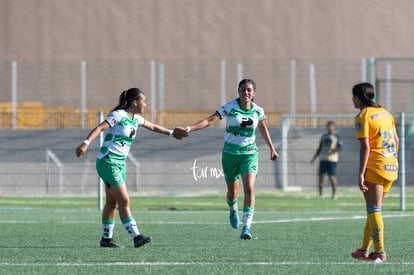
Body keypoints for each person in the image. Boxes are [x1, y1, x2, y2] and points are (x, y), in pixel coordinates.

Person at [76, 87, 186, 248]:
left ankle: (106, 239)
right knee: (124, 201)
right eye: (144, 101)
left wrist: (171, 133)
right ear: (135, 102)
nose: (145, 104)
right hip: (108, 161)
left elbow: (153, 127)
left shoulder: (136, 118)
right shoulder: (119, 115)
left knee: (112, 203)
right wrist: (85, 143)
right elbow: (100, 128)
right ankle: (136, 236)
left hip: (119, 164)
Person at [175, 79, 279, 240]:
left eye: (249, 90)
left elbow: (262, 127)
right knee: (232, 192)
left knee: (250, 188)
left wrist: (272, 148)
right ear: (238, 91)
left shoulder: (258, 111)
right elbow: (210, 120)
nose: (246, 93)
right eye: (243, 90)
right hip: (230, 154)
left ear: (254, 93)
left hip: (249, 154)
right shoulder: (230, 107)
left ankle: (246, 227)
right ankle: (232, 208)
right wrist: (189, 128)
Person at [350, 82, 399, 262]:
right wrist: (392, 160)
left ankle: (380, 251)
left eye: (353, 96)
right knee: (373, 210)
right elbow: (396, 139)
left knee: (373, 209)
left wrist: (361, 173)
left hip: (376, 166)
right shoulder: (386, 113)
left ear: (357, 97)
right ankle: (364, 249)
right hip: (391, 165)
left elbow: (365, 147)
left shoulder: (363, 116)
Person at [310, 121, 342, 199]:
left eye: (331, 126)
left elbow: (340, 147)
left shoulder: (337, 137)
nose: (330, 128)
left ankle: (334, 194)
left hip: (332, 159)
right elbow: (320, 148)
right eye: (328, 126)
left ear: (334, 127)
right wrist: (314, 157)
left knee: (332, 177)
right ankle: (321, 194)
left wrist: (333, 149)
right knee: (321, 176)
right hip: (323, 159)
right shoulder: (324, 136)